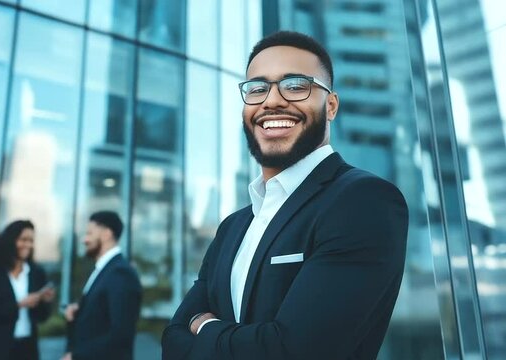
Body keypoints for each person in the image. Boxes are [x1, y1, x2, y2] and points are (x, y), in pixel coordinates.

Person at [162, 31, 409, 360]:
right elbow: (172, 341)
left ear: (331, 105)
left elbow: (293, 351)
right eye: (257, 88)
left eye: (295, 86)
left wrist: (206, 328)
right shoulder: (233, 227)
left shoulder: (363, 201)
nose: (271, 101)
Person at [0, 220, 55, 360]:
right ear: (11, 241)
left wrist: (45, 301)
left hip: (27, 349)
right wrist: (19, 304)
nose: (28, 245)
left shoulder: (36, 273)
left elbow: (42, 317)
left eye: (31, 240)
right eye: (23, 239)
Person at [62, 211, 142, 360]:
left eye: (89, 233)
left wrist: (75, 356)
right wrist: (77, 314)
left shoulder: (120, 273)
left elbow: (120, 335)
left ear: (106, 234)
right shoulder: (105, 270)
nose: (84, 239)